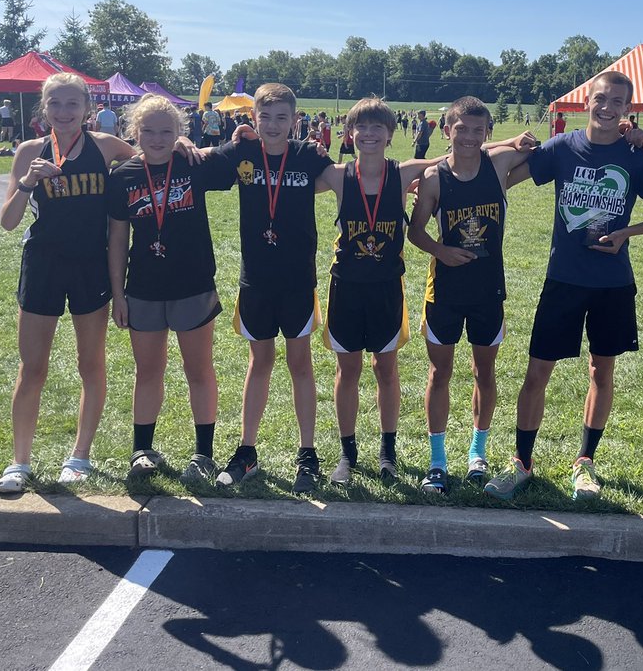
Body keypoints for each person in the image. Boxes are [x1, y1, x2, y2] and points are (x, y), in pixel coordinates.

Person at [485, 70, 643, 502]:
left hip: (612, 283)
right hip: (563, 279)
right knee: (537, 373)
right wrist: (503, 148)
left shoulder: (634, 155)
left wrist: (628, 233)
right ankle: (522, 462)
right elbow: (506, 176)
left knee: (601, 370)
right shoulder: (564, 146)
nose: (607, 108)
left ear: (628, 109)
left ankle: (585, 461)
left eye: (617, 102)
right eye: (601, 99)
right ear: (587, 101)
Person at [0, 73, 138, 494]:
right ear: (44, 108)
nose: (64, 112)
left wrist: (182, 143)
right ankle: (20, 462)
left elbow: (151, 158)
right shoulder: (29, 151)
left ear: (88, 108)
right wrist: (28, 182)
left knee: (89, 364)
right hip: (43, 265)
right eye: (55, 103)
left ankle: (79, 457)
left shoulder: (106, 146)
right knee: (32, 367)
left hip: (91, 265)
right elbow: (7, 221)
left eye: (72, 104)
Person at [210, 84, 335, 494]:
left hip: (298, 280)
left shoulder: (307, 155)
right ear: (254, 119)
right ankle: (247, 450)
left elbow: (346, 180)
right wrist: (178, 141)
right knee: (258, 362)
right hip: (256, 280)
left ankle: (308, 454)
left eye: (283, 117)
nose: (274, 125)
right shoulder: (242, 152)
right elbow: (198, 163)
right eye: (266, 117)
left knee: (300, 364)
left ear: (295, 120)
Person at [407, 97, 536, 493]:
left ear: (487, 134)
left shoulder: (498, 166)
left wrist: (516, 141)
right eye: (460, 128)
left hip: (487, 291)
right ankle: (438, 460)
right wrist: (440, 250)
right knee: (439, 373)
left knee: (485, 372)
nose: (467, 136)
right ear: (446, 130)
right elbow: (415, 231)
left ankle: (477, 453)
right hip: (444, 290)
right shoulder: (432, 178)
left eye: (477, 130)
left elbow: (544, 152)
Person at [107, 94, 231, 487]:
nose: (157, 138)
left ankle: (203, 454)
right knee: (148, 371)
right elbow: (116, 239)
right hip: (143, 288)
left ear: (180, 133)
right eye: (148, 131)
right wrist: (118, 294)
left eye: (167, 131)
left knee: (198, 370)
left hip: (192, 284)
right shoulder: (123, 175)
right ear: (134, 133)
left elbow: (239, 150)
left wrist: (230, 135)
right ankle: (142, 449)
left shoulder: (192, 164)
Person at [318, 98, 439, 484]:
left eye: (376, 128)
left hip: (387, 287)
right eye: (361, 128)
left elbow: (466, 151)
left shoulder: (403, 174)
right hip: (346, 288)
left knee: (386, 369)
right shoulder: (337, 176)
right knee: (347, 369)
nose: (368, 134)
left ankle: (388, 451)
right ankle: (347, 453)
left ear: (390, 135)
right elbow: (283, 164)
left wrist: (513, 144)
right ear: (349, 134)